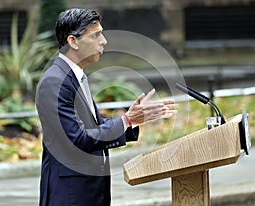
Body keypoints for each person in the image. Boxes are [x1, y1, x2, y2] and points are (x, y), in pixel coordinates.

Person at [35, 8, 178, 206]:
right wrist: (127, 120)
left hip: (89, 190)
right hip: (70, 195)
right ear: (72, 41)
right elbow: (78, 139)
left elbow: (95, 125)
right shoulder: (55, 80)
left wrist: (132, 120)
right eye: (95, 35)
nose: (104, 41)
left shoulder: (75, 75)